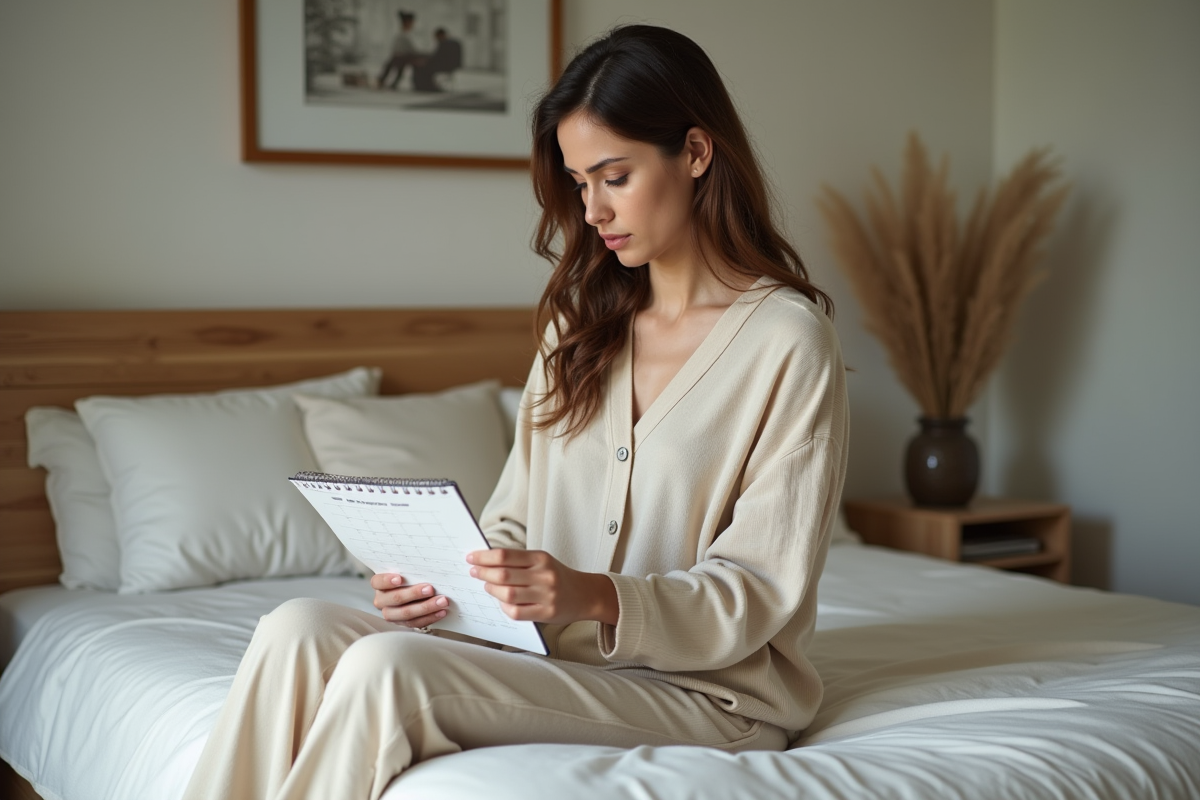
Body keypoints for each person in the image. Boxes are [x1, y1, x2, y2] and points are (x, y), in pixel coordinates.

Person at [182, 24, 848, 800]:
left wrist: (594, 595)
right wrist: (440, 587)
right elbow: (511, 525)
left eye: (614, 176)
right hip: (550, 658)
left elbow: (763, 590)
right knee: (294, 627)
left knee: (389, 667)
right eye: (578, 183)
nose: (593, 209)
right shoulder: (581, 327)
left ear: (696, 154)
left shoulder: (787, 341)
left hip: (710, 694)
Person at [376, 11, 419, 90]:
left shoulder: (406, 34)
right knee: (394, 66)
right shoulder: (403, 34)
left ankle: (386, 81)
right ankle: (383, 81)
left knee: (397, 67)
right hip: (400, 56)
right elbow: (410, 48)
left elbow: (412, 49)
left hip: (404, 56)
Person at [412, 27, 463, 92]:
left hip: (442, 66)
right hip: (453, 66)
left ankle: (425, 86)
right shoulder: (455, 43)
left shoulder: (443, 43)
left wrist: (424, 60)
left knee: (421, 67)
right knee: (424, 66)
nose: (436, 39)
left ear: (440, 35)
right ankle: (427, 86)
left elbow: (436, 57)